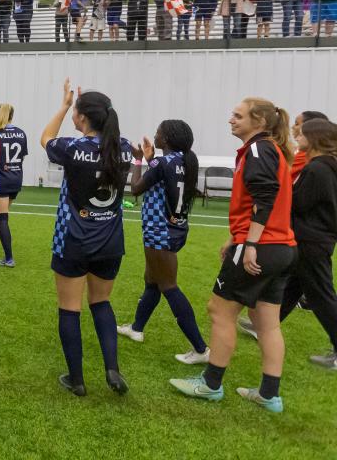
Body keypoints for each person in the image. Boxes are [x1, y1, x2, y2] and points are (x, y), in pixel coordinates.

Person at [170, 98, 296, 413]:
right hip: (282, 248)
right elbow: (261, 200)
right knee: (266, 322)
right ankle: (269, 394)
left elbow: (264, 197)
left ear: (260, 122)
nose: (231, 120)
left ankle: (211, 385)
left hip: (261, 247)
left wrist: (249, 244)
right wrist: (235, 237)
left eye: (238, 116)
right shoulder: (268, 150)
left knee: (220, 311)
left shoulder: (258, 150)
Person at [40, 79, 132, 397]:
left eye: (77, 112)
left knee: (69, 308)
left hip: (74, 240)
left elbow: (46, 138)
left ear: (82, 117)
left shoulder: (74, 148)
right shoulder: (125, 147)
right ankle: (112, 369)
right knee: (101, 302)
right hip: (110, 240)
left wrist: (64, 106)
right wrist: (77, 109)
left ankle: (76, 379)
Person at [117, 121, 209, 364]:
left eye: (158, 132)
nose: (155, 135)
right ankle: (136, 328)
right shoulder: (182, 161)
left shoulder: (162, 162)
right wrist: (151, 159)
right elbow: (163, 178)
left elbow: (136, 189)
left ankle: (201, 349)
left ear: (166, 139)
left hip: (159, 230)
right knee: (152, 281)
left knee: (168, 285)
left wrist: (138, 160)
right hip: (175, 227)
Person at [278, 118, 337, 370]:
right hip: (315, 239)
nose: (297, 138)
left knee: (321, 296)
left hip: (311, 240)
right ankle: (265, 325)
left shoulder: (318, 169)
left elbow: (299, 203)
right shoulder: (326, 166)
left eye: (302, 135)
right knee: (291, 286)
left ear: (314, 140)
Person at [0, 104, 28, 268]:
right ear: (12, 115)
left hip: (1, 179)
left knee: (1, 218)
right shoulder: (21, 133)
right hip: (16, 178)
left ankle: (9, 258)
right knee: (2, 216)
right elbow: (22, 157)